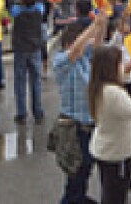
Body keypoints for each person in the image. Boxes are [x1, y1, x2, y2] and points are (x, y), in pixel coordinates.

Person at [88, 45, 131, 204]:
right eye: (120, 63)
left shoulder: (98, 85)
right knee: (115, 196)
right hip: (117, 153)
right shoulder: (112, 93)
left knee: (110, 192)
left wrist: (126, 71)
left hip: (108, 149)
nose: (122, 66)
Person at [53, 12, 107, 204]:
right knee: (77, 168)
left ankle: (77, 197)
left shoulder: (86, 59)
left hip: (89, 124)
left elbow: (98, 46)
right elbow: (76, 50)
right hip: (72, 126)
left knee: (85, 168)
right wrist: (93, 26)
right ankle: (71, 200)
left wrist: (101, 26)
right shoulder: (61, 61)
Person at [10, 0, 45, 124]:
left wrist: (20, 2)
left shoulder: (17, 13)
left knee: (20, 82)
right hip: (35, 48)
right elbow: (40, 5)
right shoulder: (38, 12)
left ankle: (21, 113)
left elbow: (13, 9)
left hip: (20, 49)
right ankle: (38, 112)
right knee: (36, 81)